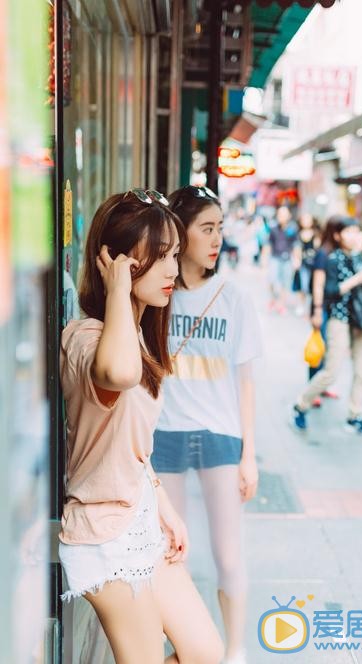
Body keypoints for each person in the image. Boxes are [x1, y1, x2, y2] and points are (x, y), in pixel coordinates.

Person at [58, 189, 224, 664]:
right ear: (117, 264)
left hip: (140, 515)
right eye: (155, 259)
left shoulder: (135, 333)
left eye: (173, 254)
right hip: (104, 534)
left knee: (205, 652)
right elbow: (119, 374)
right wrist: (114, 290)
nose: (172, 270)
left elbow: (133, 445)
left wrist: (164, 505)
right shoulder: (89, 338)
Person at [151, 185, 263, 664]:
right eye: (207, 228)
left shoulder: (233, 296)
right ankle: (184, 646)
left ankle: (234, 650)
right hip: (165, 435)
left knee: (228, 553)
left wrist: (249, 453)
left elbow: (246, 380)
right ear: (181, 232)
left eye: (220, 228)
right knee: (173, 553)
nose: (217, 239)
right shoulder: (160, 293)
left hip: (219, 435)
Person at [292, 217, 362, 436]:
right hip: (339, 318)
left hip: (361, 321)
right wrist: (356, 279)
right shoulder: (332, 259)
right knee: (331, 371)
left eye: (356, 231)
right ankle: (301, 404)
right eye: (347, 231)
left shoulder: (360, 257)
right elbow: (330, 291)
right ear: (338, 235)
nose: (352, 235)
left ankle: (355, 415)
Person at [308, 216, 343, 407]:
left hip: (333, 308)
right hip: (322, 307)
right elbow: (318, 284)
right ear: (336, 233)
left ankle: (323, 385)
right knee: (318, 349)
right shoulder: (324, 253)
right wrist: (317, 310)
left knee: (329, 349)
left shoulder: (339, 253)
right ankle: (312, 388)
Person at [267, 205, 299, 313]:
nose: (282, 217)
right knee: (272, 280)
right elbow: (268, 244)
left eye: (284, 214)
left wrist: (297, 259)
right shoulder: (273, 228)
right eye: (280, 214)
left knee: (286, 283)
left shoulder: (292, 229)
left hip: (287, 259)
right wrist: (263, 259)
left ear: (289, 216)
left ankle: (281, 304)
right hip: (275, 257)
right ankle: (273, 299)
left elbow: (296, 245)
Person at [294, 212, 320, 316]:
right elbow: (297, 249)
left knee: (312, 285)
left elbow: (317, 249)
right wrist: (297, 260)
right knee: (303, 285)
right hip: (303, 264)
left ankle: (310, 306)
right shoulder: (298, 234)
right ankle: (302, 305)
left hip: (314, 264)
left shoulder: (316, 234)